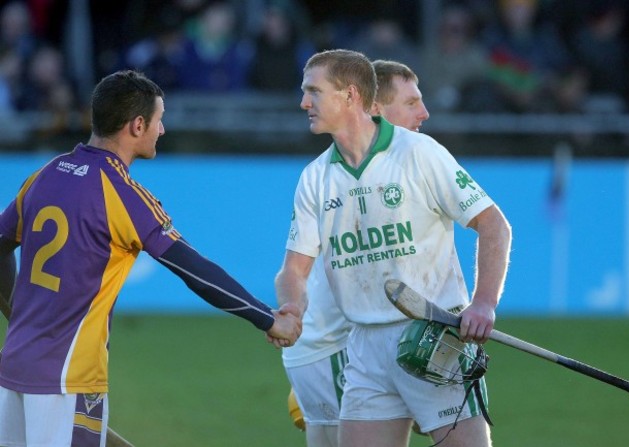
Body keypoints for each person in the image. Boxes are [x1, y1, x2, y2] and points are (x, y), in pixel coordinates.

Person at [0, 69, 301, 447]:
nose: (163, 130)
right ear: (137, 125)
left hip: (13, 368)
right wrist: (267, 318)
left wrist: (16, 314)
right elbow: (194, 269)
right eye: (159, 121)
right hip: (69, 376)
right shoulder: (122, 193)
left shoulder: (45, 174)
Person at [275, 49, 511, 447]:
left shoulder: (419, 153)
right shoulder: (315, 177)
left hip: (434, 336)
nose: (304, 102)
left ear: (350, 96)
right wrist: (293, 308)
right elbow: (293, 271)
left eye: (313, 91)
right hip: (364, 346)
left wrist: (484, 302)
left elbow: (494, 226)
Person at [282, 58, 430, 447]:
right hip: (338, 349)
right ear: (375, 107)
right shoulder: (336, 173)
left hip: (337, 351)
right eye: (412, 102)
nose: (424, 113)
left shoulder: (397, 165)